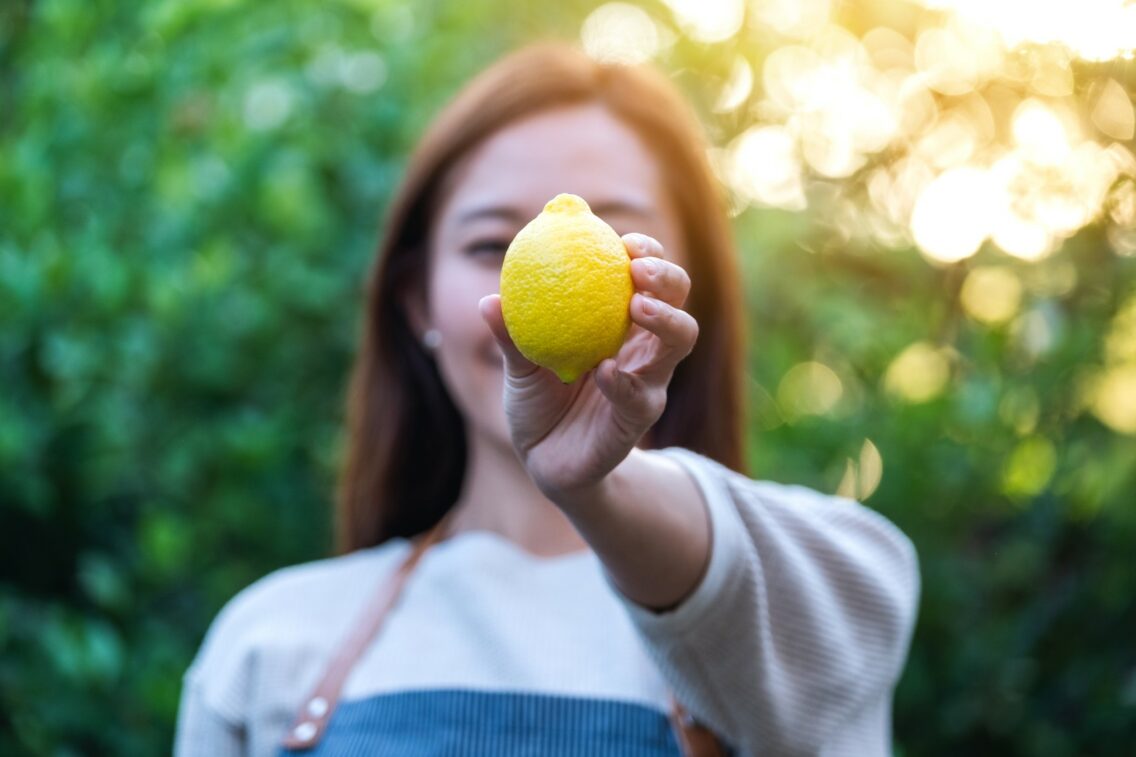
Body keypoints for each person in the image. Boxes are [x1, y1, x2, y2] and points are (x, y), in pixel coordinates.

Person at [174, 43, 920, 756]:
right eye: (491, 244)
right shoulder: (270, 646)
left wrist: (597, 486)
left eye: (616, 242)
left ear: (687, 292)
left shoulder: (815, 603)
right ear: (417, 304)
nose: (537, 274)